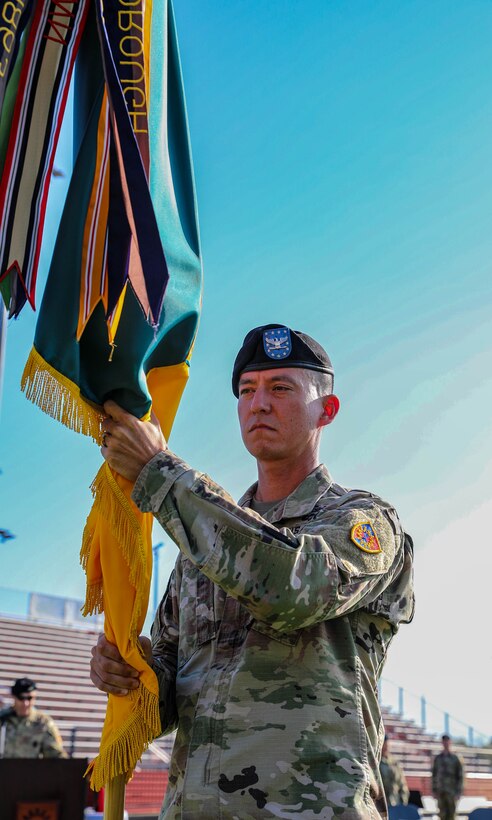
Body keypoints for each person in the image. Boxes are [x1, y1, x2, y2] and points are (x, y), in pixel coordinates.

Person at [91, 323, 415, 819]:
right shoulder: (200, 541)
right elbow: (170, 698)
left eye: (280, 388)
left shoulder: (365, 522)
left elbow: (291, 589)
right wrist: (130, 676)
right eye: (247, 390)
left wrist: (160, 474)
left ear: (326, 410)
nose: (259, 403)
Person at [0, 677, 66, 758]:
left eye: (29, 698)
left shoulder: (43, 722)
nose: (25, 703)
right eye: (21, 698)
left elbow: (56, 756)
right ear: (14, 697)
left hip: (31, 770)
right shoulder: (3, 719)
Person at [432, 734, 464, 820]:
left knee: (451, 815)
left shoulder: (455, 758)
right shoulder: (438, 758)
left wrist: (459, 792)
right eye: (444, 741)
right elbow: (434, 775)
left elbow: (460, 776)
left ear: (450, 742)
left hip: (452, 791)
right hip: (441, 791)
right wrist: (434, 790)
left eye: (447, 741)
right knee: (442, 815)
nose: (445, 743)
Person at [379, 735, 409, 807]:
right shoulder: (376, 761)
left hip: (395, 801)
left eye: (387, 745)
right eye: (384, 745)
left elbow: (402, 783)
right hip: (381, 802)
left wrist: (404, 800)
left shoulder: (394, 762)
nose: (386, 747)